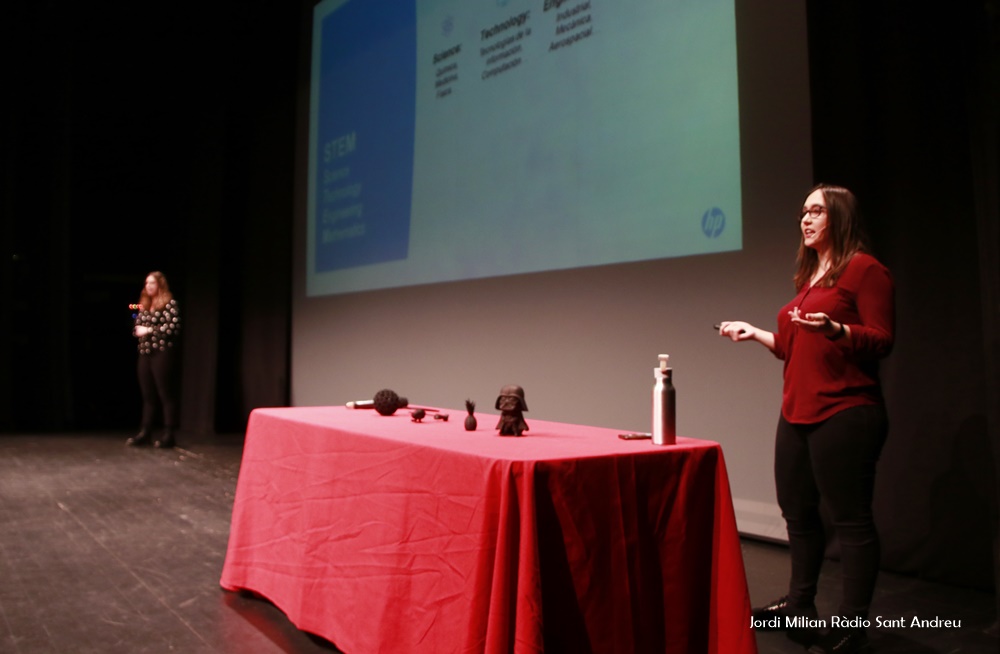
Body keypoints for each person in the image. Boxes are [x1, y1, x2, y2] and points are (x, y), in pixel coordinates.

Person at [718, 184, 894, 654]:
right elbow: (794, 348)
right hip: (797, 410)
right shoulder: (811, 278)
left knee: (850, 520)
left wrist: (838, 328)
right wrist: (754, 332)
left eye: (816, 210)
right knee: (797, 512)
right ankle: (799, 605)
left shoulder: (864, 269)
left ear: (839, 217)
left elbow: (881, 339)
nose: (806, 218)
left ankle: (853, 627)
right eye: (803, 211)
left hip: (847, 411)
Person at [127, 271, 181, 449]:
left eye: (152, 283)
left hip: (161, 352)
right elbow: (137, 325)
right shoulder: (144, 305)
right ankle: (146, 432)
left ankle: (169, 433)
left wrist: (149, 330)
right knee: (148, 395)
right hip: (145, 352)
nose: (148, 286)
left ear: (160, 285)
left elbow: (172, 327)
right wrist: (138, 330)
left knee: (165, 393)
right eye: (146, 283)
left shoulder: (168, 304)